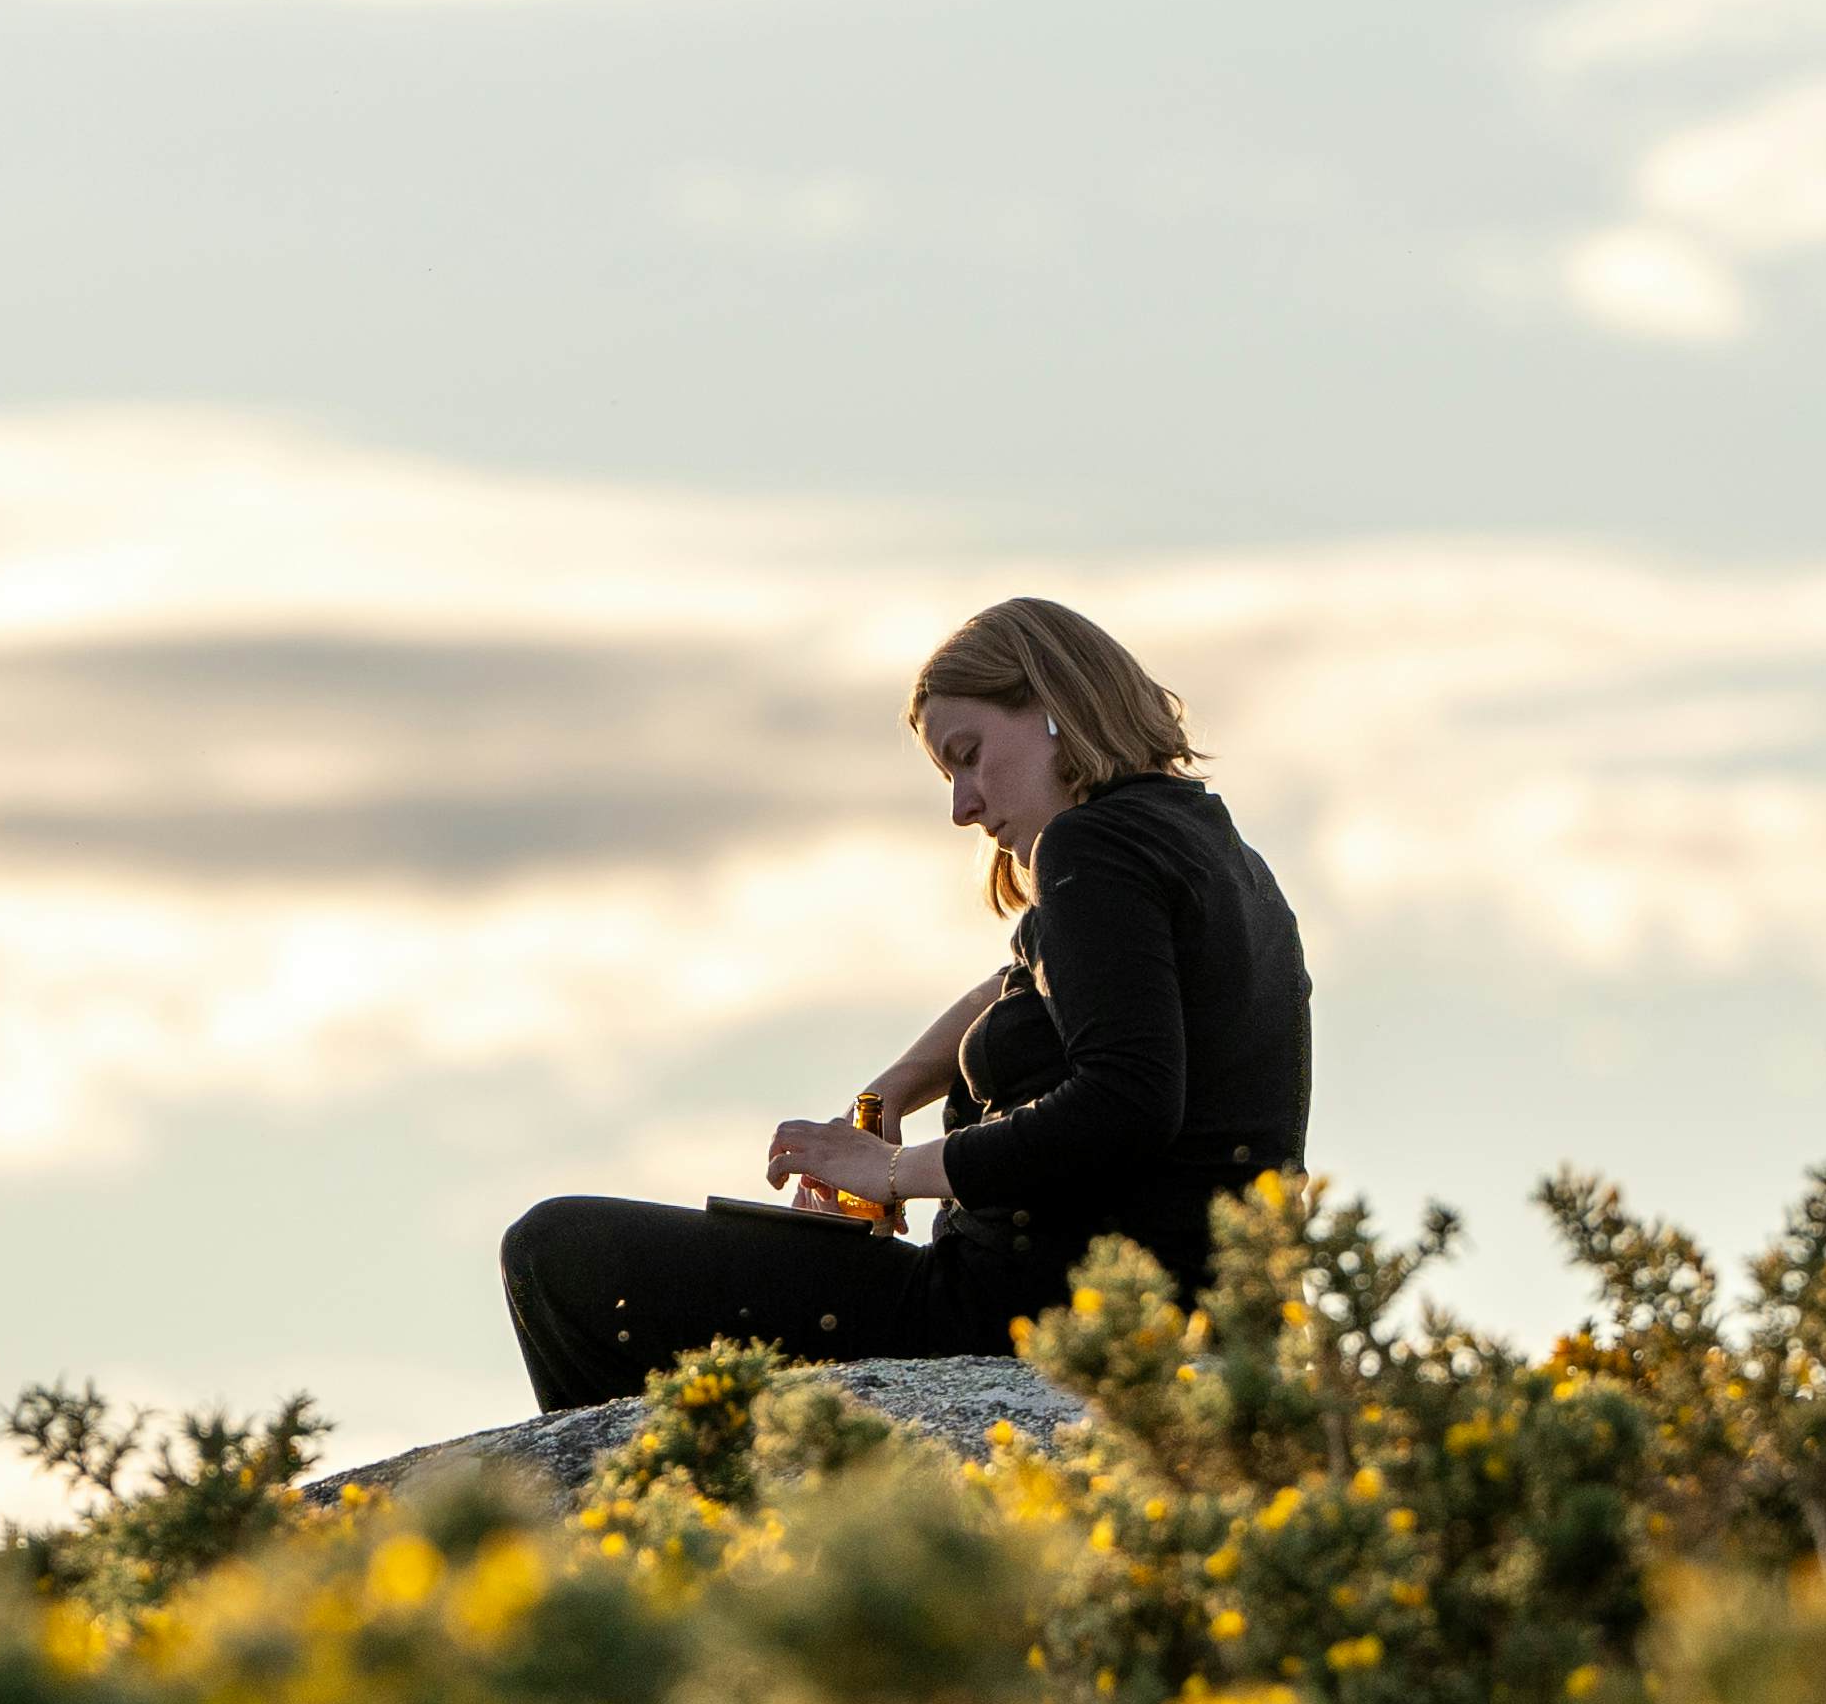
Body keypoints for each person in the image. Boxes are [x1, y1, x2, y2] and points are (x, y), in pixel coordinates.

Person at [496, 595, 1313, 1415]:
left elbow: (1126, 1104)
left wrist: (891, 1171)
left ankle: (635, 1514)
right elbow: (1025, 983)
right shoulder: (1220, 856)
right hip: (1198, 1314)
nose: (962, 804)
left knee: (558, 1254)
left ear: (1054, 707)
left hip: (1016, 1318)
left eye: (969, 755)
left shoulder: (1091, 847)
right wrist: (885, 1097)